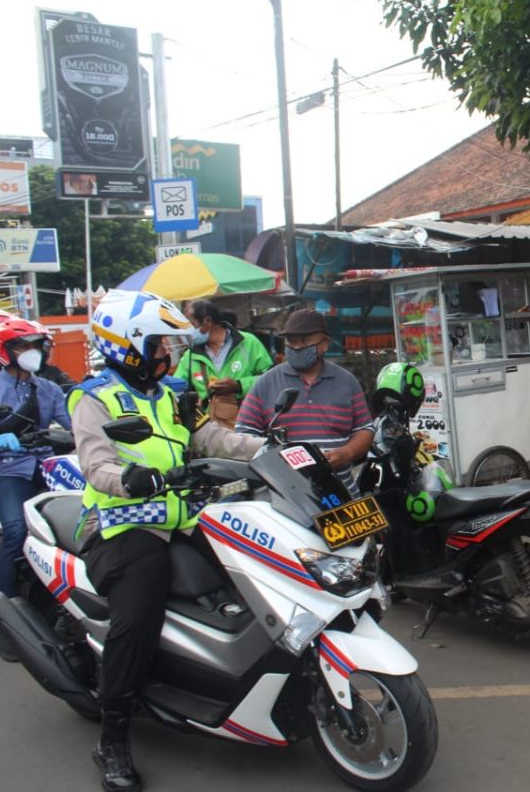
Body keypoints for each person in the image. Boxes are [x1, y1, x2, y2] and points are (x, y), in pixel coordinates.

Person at [69, 290, 265, 791]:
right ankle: (112, 738)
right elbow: (96, 464)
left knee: (253, 574)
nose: (168, 354)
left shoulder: (172, 394)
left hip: (185, 520)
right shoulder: (94, 398)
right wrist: (129, 478)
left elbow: (212, 439)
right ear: (129, 346)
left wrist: (271, 448)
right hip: (123, 529)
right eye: (160, 345)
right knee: (137, 618)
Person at [0, 318, 72, 661]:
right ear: (5, 352)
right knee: (16, 531)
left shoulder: (49, 389)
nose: (32, 352)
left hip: (46, 467)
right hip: (5, 470)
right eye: (24, 346)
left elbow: (73, 424)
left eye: (37, 346)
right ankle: (6, 617)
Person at [236, 309, 373, 494]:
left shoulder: (346, 381)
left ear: (324, 343)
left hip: (343, 493)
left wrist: (346, 453)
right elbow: (244, 434)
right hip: (289, 497)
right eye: (291, 341)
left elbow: (364, 429)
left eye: (305, 341)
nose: (297, 347)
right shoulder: (266, 382)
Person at [174, 299, 273, 429]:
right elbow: (176, 386)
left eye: (191, 325)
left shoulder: (248, 343)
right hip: (208, 428)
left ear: (207, 321)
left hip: (248, 424)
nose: (187, 331)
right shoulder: (191, 354)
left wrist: (239, 386)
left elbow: (270, 380)